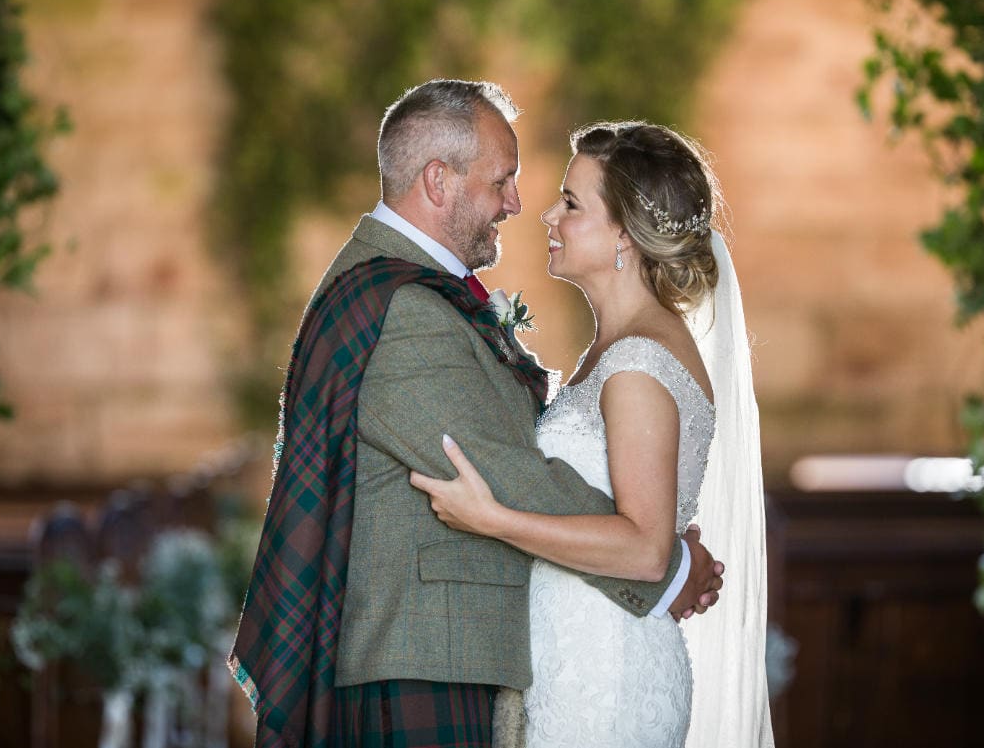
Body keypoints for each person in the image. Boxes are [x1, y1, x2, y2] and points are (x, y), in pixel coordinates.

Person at [228, 81, 725, 748]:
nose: (521, 205)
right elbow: (503, 468)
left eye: (566, 201)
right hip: (422, 658)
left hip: (524, 656)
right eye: (503, 181)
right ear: (439, 181)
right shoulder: (401, 308)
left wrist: (650, 550)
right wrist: (665, 568)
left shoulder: (413, 292)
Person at [409, 122, 774, 747]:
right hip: (577, 658)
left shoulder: (637, 364)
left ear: (625, 237)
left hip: (606, 676)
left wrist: (491, 518)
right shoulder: (617, 350)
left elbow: (643, 550)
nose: (549, 215)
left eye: (572, 204)